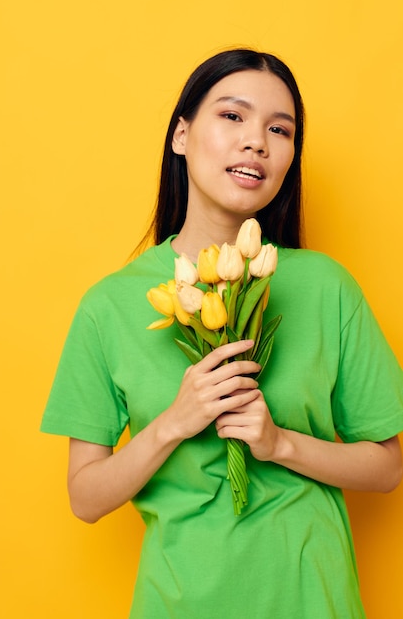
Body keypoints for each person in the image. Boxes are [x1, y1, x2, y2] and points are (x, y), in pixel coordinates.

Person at [41, 49, 403, 618]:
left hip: (311, 596)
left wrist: (279, 444)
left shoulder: (327, 287)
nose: (256, 141)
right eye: (232, 117)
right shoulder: (108, 305)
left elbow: (388, 466)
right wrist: (173, 424)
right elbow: (85, 498)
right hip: (179, 600)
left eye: (278, 130)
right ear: (181, 135)